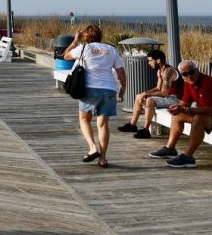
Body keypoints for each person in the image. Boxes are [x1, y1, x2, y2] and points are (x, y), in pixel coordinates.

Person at [149, 60, 212, 168]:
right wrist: (175, 108)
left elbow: (209, 110)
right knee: (178, 115)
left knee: (199, 119)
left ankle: (188, 157)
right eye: (185, 74)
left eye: (191, 72)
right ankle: (170, 149)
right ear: (181, 75)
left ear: (197, 70)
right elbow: (185, 103)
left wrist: (185, 109)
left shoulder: (208, 84)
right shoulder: (188, 83)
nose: (189, 76)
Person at [63, 24, 126, 168]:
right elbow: (121, 71)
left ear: (85, 36)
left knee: (84, 119)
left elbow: (66, 56)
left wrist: (75, 41)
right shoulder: (111, 49)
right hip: (109, 89)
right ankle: (103, 158)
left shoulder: (84, 48)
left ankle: (92, 148)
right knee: (103, 124)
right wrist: (123, 88)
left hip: (90, 89)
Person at [117, 49, 180, 139]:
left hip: (176, 99)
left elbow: (164, 93)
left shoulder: (168, 71)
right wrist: (144, 94)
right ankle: (132, 125)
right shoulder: (160, 71)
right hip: (167, 97)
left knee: (150, 100)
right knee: (139, 96)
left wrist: (147, 95)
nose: (149, 63)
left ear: (158, 60)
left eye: (150, 60)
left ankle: (146, 130)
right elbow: (158, 88)